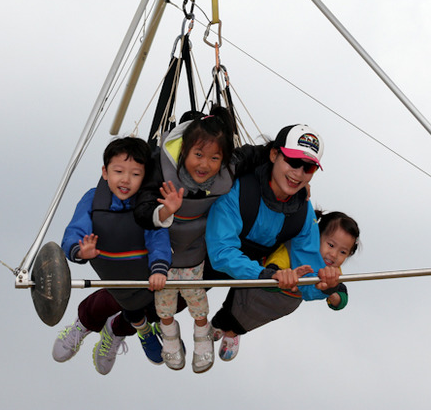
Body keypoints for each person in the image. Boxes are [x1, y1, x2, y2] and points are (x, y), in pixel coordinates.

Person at [205, 123, 342, 361]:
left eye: (308, 167)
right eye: (292, 161)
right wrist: (266, 275)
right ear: (274, 154)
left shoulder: (303, 213)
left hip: (254, 271)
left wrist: (326, 286)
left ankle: (230, 325)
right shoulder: (239, 187)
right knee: (156, 305)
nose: (298, 173)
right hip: (205, 261)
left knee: (288, 296)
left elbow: (309, 277)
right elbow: (221, 252)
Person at [52, 137, 170, 375]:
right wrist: (79, 250)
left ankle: (121, 330)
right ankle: (84, 325)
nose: (126, 180)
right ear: (105, 172)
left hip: (142, 274)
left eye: (135, 174)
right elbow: (75, 229)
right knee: (116, 296)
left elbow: (158, 237)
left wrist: (159, 267)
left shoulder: (146, 203)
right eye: (118, 171)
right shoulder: (95, 198)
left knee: (156, 303)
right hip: (109, 268)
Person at [133, 107, 236, 373]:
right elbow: (143, 210)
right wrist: (166, 209)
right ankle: (169, 337)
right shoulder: (161, 168)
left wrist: (296, 178)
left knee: (196, 298)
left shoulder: (227, 170)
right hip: (163, 255)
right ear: (183, 152)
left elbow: (258, 155)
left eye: (214, 158)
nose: (204, 164)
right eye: (198, 155)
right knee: (163, 303)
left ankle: (202, 336)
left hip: (194, 254)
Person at [210, 210, 359, 359]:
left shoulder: (333, 272)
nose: (334, 255)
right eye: (331, 245)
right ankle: (217, 323)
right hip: (257, 290)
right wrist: (282, 274)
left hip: (281, 304)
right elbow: (272, 268)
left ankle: (233, 333)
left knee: (250, 321)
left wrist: (332, 293)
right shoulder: (293, 248)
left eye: (343, 252)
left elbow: (341, 297)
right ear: (316, 236)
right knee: (232, 308)